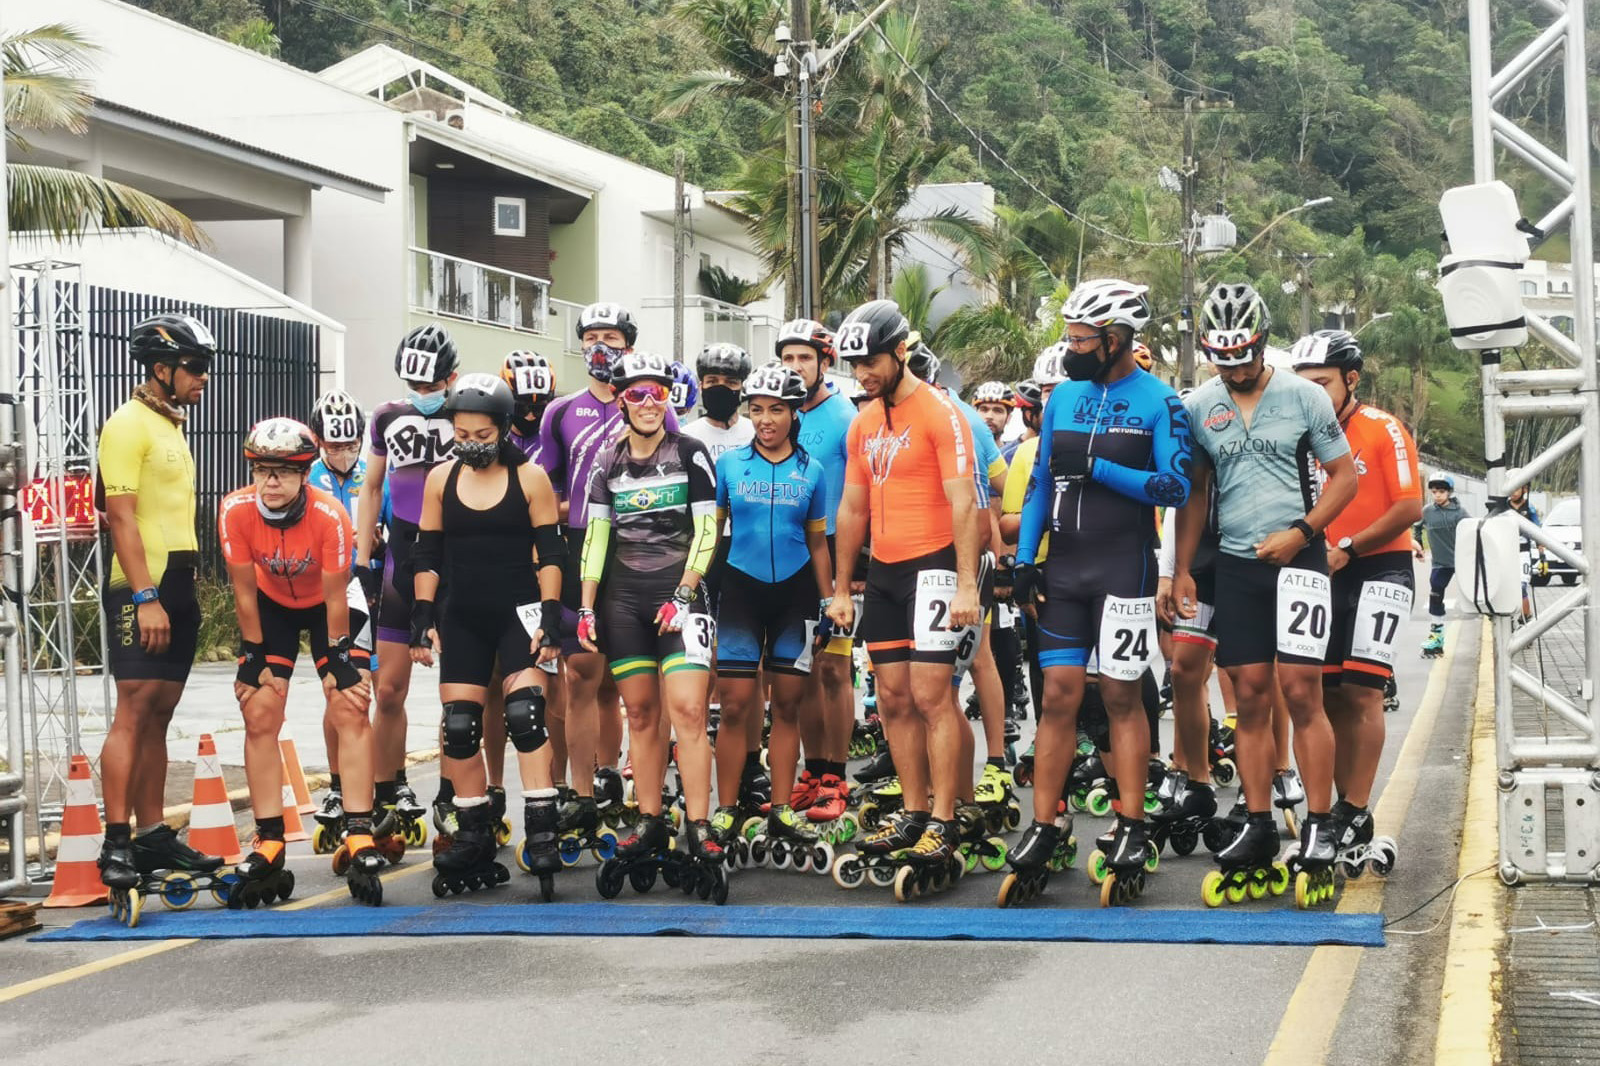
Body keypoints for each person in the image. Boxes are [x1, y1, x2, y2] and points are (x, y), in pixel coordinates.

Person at [1004, 279, 1192, 908]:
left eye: (1083, 339)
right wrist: (1025, 560)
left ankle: (1133, 826)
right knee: (1056, 695)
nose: (1073, 348)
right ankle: (1044, 824)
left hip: (1125, 569)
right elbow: (1038, 491)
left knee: (1118, 694)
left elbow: (1174, 489)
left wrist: (1103, 469)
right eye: (1071, 338)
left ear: (1115, 340)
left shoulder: (1160, 402)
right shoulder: (1064, 399)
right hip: (1065, 569)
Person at [1174, 282, 1358, 909]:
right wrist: (1182, 571)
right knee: (1249, 698)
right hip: (1234, 564)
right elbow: (1195, 495)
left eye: (1245, 356)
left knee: (1302, 691)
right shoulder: (1199, 405)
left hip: (1299, 558)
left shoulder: (1306, 396)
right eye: (1223, 361)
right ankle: (1256, 824)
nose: (1236, 369)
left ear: (1262, 342)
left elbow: (1344, 478)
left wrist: (1303, 532)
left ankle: (1320, 823)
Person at [825, 299, 981, 901]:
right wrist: (841, 587)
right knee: (891, 696)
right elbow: (852, 508)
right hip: (885, 570)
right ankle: (914, 811)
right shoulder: (862, 422)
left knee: (930, 694)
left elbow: (965, 501)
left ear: (899, 353)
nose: (860, 374)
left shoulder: (942, 412)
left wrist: (968, 583)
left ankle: (944, 820)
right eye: (853, 364)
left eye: (869, 363)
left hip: (938, 564)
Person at [410, 374, 567, 899]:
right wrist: (422, 613)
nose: (470, 444)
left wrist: (550, 614)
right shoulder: (440, 479)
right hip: (463, 614)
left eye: (481, 434)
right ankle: (474, 831)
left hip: (518, 612)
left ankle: (542, 824)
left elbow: (550, 552)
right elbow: (427, 554)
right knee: (458, 727)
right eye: (461, 433)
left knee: (524, 714)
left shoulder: (531, 478)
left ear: (502, 429)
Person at [580, 350, 725, 897]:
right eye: (636, 393)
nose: (647, 402)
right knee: (640, 714)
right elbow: (596, 538)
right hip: (623, 600)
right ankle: (649, 819)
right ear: (620, 400)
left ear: (670, 398)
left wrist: (684, 593)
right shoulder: (606, 461)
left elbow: (708, 530)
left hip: (682, 594)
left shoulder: (690, 452)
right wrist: (588, 605)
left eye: (657, 392)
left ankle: (699, 824)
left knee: (687, 710)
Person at [220, 419, 378, 906]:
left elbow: (335, 596)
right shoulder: (234, 509)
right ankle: (268, 838)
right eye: (262, 470)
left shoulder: (331, 515)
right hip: (272, 605)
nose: (271, 482)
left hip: (332, 602)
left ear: (304, 473)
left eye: (284, 472)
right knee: (260, 710)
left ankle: (359, 831)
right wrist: (250, 654)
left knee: (349, 703)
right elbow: (244, 590)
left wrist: (337, 659)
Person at [95, 314, 222, 893]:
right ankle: (115, 842)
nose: (203, 379)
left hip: (179, 581)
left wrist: (173, 595)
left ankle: (150, 835)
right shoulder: (125, 426)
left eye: (205, 368)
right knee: (134, 709)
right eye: (194, 368)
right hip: (140, 583)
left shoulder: (168, 423)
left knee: (161, 715)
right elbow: (120, 518)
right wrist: (145, 596)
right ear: (161, 369)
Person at [1293, 329, 1419, 876]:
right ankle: (1348, 814)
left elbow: (1409, 506)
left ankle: (1355, 806)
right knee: (1325, 692)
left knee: (1363, 689)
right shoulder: (1298, 432)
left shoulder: (1381, 427)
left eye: (1321, 384)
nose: (1312, 395)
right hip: (1321, 571)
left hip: (1379, 565)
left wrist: (1348, 546)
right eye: (1303, 385)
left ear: (1351, 379)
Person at [534, 304, 665, 832]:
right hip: (580, 544)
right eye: (590, 337)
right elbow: (544, 491)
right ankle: (582, 791)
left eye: (610, 337)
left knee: (625, 678)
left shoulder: (653, 402)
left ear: (628, 344)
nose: (600, 346)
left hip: (639, 548)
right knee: (581, 674)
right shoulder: (560, 412)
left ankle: (613, 776)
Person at [708, 361, 837, 871]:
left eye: (776, 410)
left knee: (787, 705)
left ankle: (781, 807)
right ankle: (725, 808)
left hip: (797, 596)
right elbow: (711, 535)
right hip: (739, 590)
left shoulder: (815, 471)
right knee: (736, 706)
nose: (765, 419)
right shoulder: (730, 465)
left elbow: (818, 543)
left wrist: (829, 604)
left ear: (794, 413)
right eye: (757, 409)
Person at [355, 324, 459, 839]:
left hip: (455, 558)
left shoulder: (467, 412)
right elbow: (370, 487)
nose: (422, 397)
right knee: (389, 689)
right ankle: (387, 790)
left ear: (451, 377)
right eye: (414, 387)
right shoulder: (385, 417)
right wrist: (359, 559)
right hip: (400, 557)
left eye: (431, 386)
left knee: (457, 694)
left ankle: (452, 791)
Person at [778, 319, 858, 831]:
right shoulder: (778, 413)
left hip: (834, 550)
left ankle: (837, 775)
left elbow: (857, 494)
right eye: (787, 358)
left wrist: (853, 571)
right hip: (790, 553)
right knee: (799, 669)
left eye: (804, 358)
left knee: (834, 668)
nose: (795, 367)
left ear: (824, 362)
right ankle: (813, 770)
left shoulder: (846, 415)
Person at [306, 388, 374, 846]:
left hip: (365, 591)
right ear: (318, 442)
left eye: (351, 445)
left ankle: (377, 784)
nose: (343, 454)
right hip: (322, 592)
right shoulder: (305, 475)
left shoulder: (372, 474)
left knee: (365, 691)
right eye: (334, 446)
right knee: (337, 691)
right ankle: (335, 786)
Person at [1416, 473, 1467, 655]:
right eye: (1435, 491)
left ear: (1449, 492)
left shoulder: (1460, 513)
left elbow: (1470, 533)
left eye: (1442, 491)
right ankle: (1436, 637)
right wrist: (1419, 547)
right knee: (1435, 595)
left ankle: (1498, 625)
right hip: (1440, 563)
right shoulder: (1427, 511)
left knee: (1476, 595)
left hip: (1462, 561)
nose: (1437, 495)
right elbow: (1416, 527)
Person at [682, 343, 755, 461]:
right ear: (701, 387)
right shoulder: (685, 437)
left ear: (742, 388)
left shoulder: (756, 433)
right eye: (712, 381)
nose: (721, 388)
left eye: (731, 382)